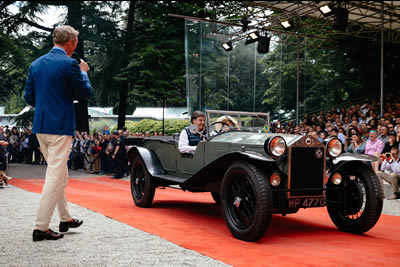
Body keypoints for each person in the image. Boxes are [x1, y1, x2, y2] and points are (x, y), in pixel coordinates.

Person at [24, 25, 92, 241]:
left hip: (41, 126)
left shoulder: (36, 64)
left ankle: (65, 218)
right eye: (75, 43)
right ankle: (41, 226)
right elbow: (85, 93)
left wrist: (47, 104)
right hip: (60, 126)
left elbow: (29, 97)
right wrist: (84, 73)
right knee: (55, 176)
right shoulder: (71, 64)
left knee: (59, 173)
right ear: (71, 42)